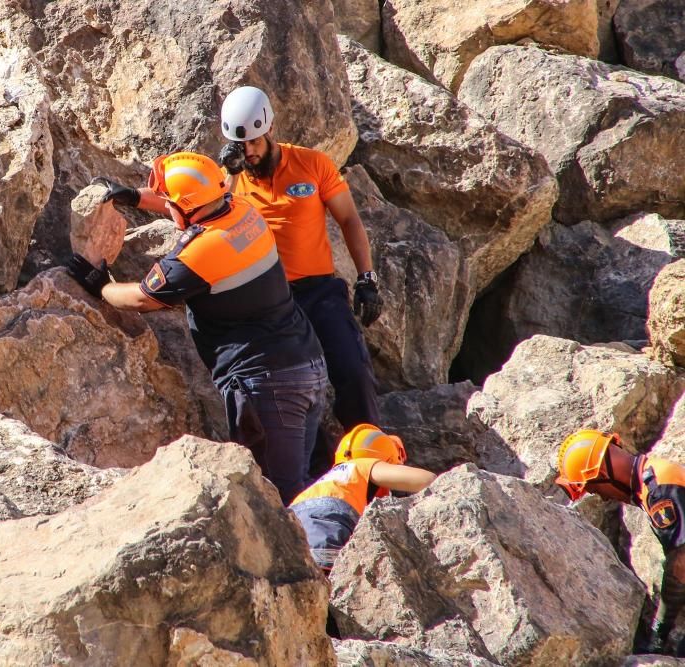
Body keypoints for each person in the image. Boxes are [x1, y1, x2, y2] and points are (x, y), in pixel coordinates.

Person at [68, 151, 327, 504]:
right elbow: (192, 205)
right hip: (305, 362)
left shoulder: (196, 254)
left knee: (276, 496)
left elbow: (144, 298)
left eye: (168, 199)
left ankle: (309, 556)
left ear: (184, 205)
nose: (164, 202)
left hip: (268, 384)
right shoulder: (242, 210)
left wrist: (100, 285)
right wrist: (134, 197)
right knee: (302, 481)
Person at [218, 86, 383, 479]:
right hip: (269, 304)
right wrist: (227, 175)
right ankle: (310, 475)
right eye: (241, 145)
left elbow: (349, 219)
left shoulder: (313, 164)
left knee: (353, 371)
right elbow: (202, 215)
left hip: (319, 291)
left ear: (269, 128)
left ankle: (376, 463)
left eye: (254, 142)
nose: (250, 152)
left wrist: (367, 278)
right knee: (279, 395)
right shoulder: (230, 179)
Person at [556, 429, 685, 656]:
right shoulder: (654, 477)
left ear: (603, 472)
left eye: (595, 488)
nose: (604, 497)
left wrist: (659, 632)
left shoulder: (659, 492)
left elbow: (681, 565)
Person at [289, 424, 436, 572]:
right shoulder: (362, 464)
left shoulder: (331, 479)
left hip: (294, 526)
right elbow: (427, 480)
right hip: (331, 522)